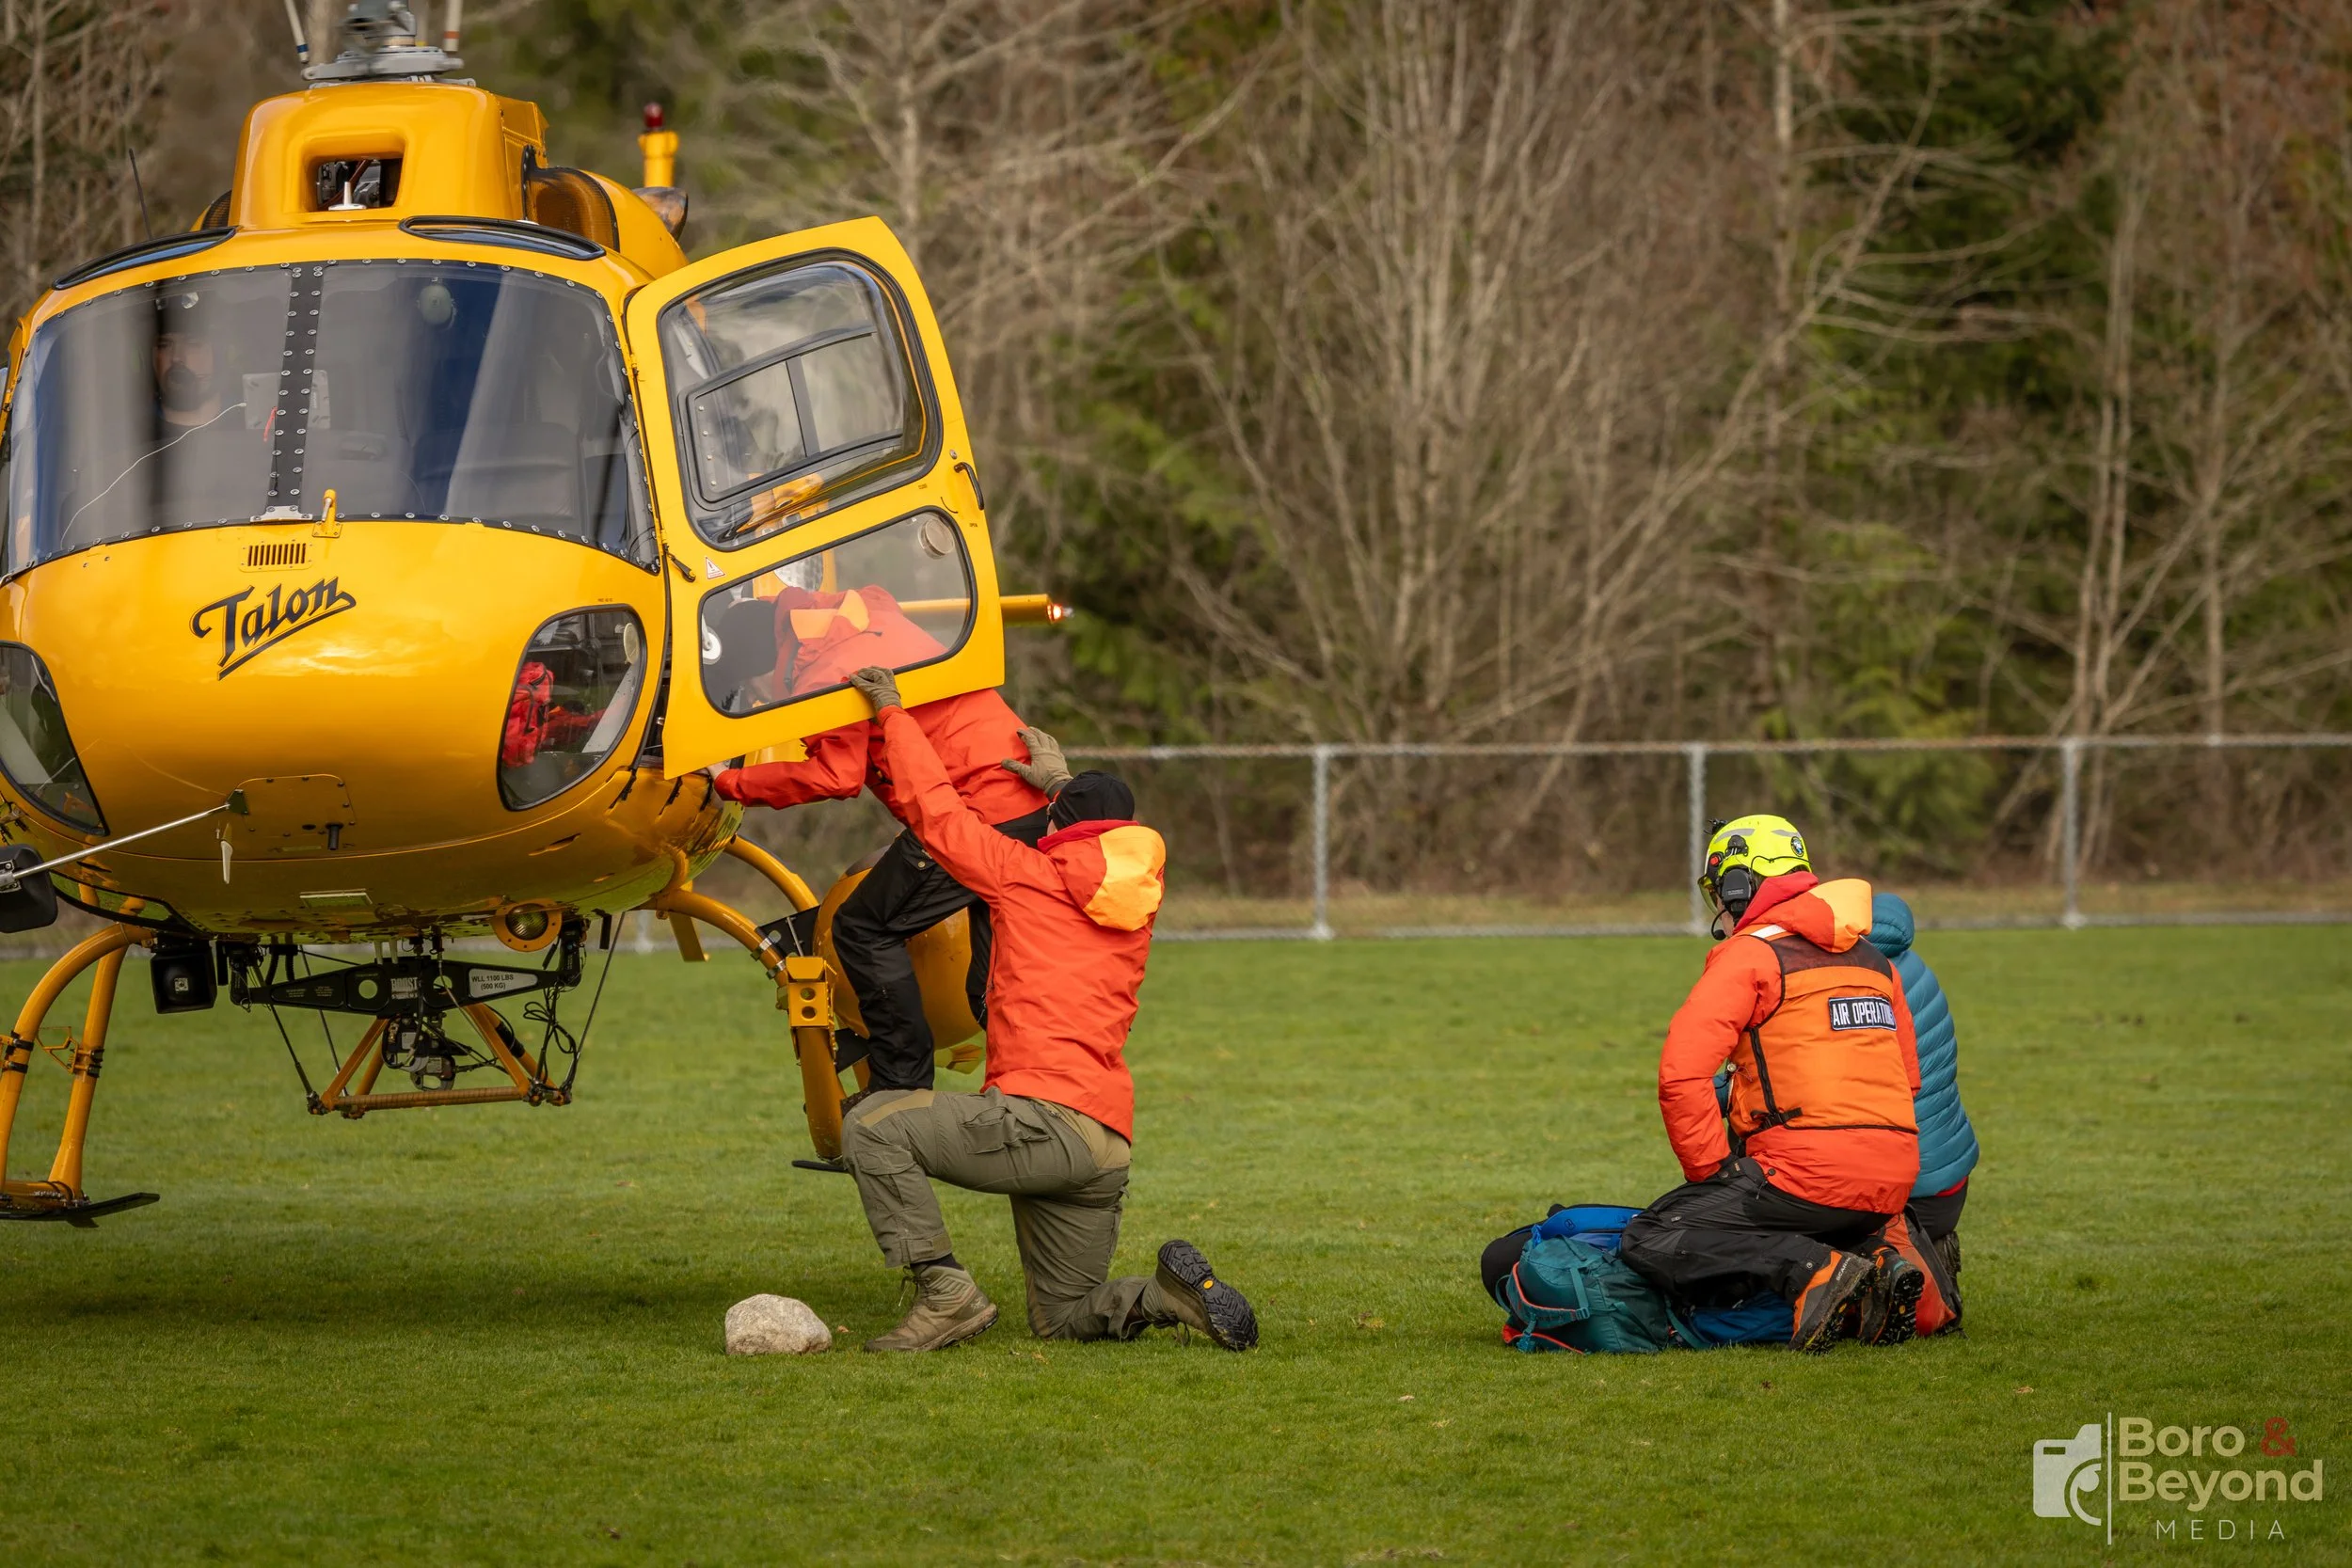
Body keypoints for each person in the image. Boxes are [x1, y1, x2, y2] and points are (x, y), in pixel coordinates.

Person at [832, 663, 1258, 1354]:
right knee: (1064, 1315)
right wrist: (1058, 782)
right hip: (1103, 1145)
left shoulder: (1024, 877)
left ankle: (947, 1294)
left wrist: (893, 713)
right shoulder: (1138, 900)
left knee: (873, 1126)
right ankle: (1163, 1297)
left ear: (1055, 830)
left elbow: (937, 811)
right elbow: (1095, 838)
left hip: (1038, 1122)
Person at [711, 592, 1053, 1105]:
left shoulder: (823, 670)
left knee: (862, 926)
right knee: (989, 983)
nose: (760, 699)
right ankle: (1046, 1098)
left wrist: (731, 780)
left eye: (752, 688)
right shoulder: (868, 625)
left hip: (975, 815)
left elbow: (836, 775)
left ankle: (899, 1094)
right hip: (1024, 803)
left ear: (763, 661)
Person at [1617, 814, 1927, 1353]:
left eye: (1721, 887)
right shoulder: (1876, 962)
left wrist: (1711, 1174)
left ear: (1739, 884)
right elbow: (1910, 1081)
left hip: (1804, 1175)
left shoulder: (1750, 955)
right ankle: (1878, 1261)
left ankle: (1815, 1271)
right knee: (1805, 1212)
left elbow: (1681, 1075)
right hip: (1893, 1178)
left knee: (1653, 1237)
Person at [1867, 892, 1977, 1287]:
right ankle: (1925, 1251)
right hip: (1950, 1186)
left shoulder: (1855, 980)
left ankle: (1908, 1259)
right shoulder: (1911, 964)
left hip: (1910, 1195)